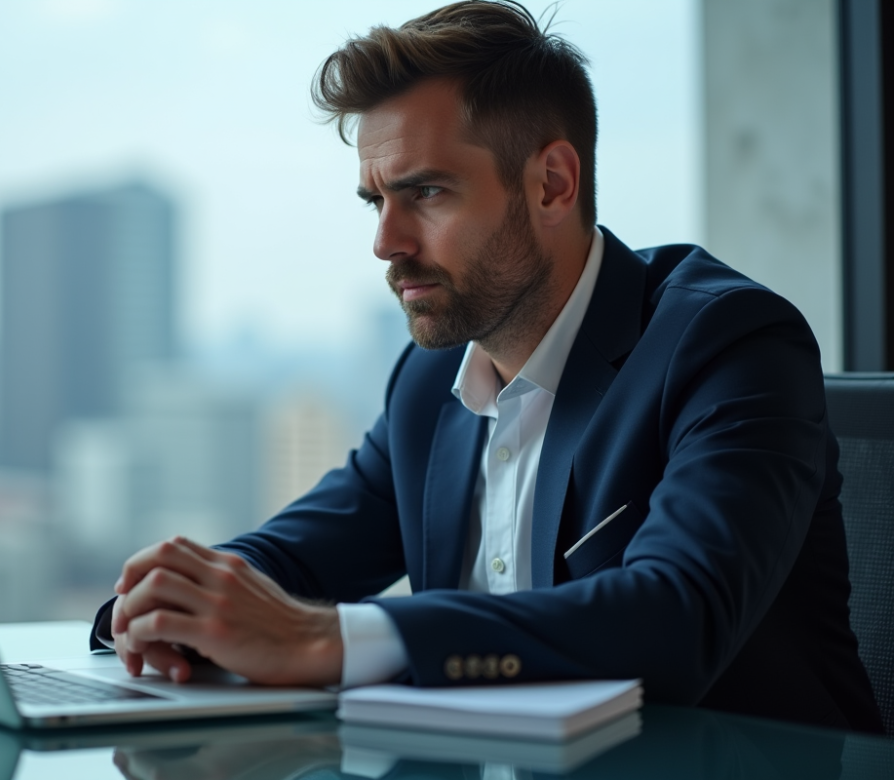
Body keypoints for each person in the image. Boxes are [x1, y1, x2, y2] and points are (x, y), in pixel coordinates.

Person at [90, 0, 883, 733]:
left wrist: (328, 640)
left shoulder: (729, 344)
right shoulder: (428, 383)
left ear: (551, 184)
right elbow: (296, 558)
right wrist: (174, 604)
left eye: (426, 192)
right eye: (375, 201)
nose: (386, 242)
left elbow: (676, 617)